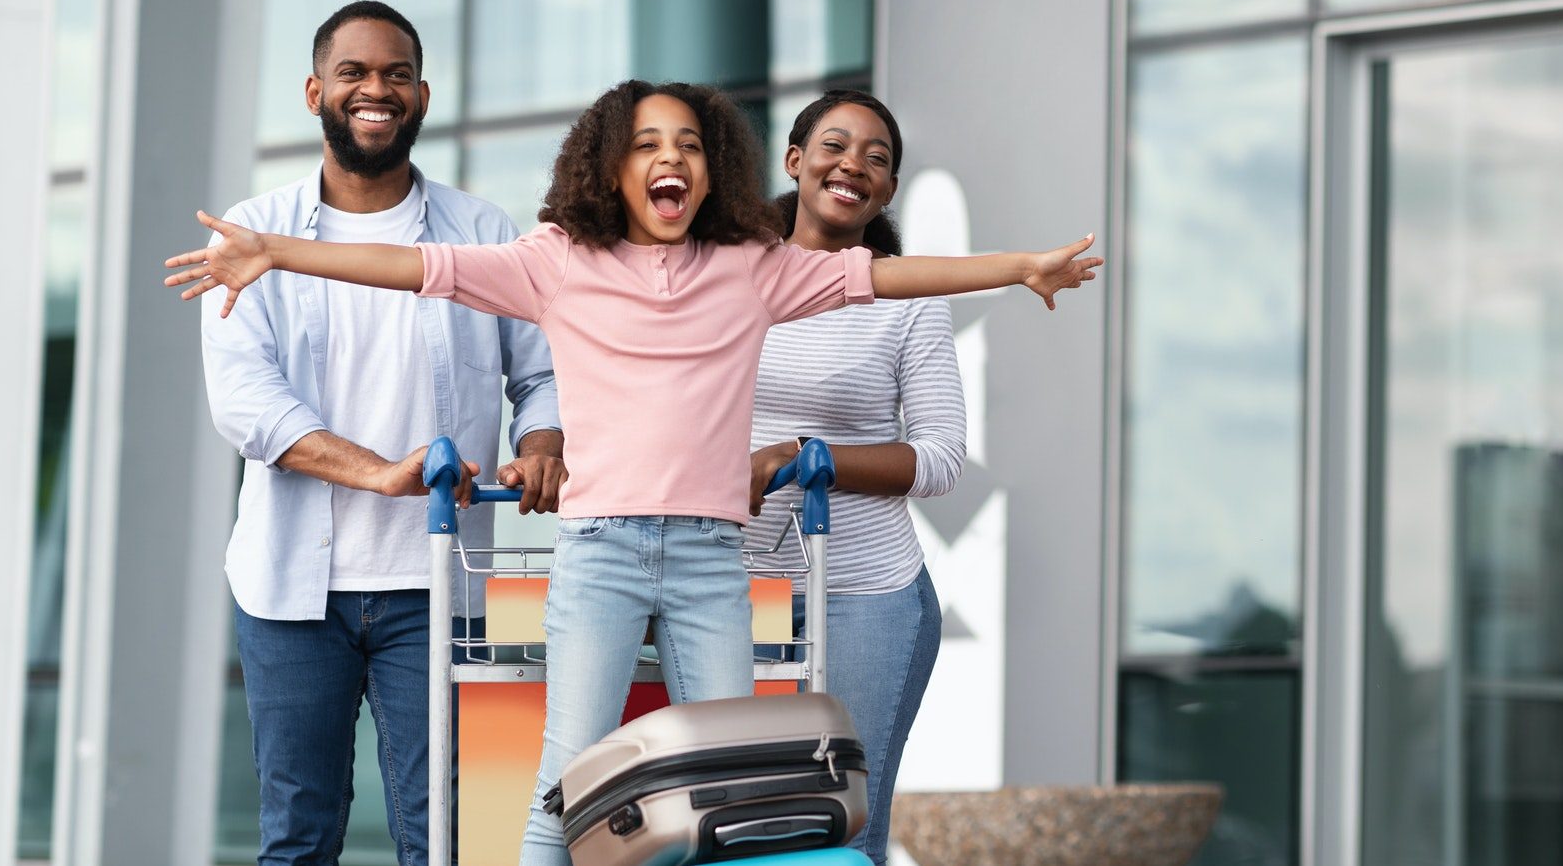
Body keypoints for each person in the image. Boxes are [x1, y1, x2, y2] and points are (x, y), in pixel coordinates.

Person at [164, 78, 1100, 866]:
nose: (673, 158)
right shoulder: (556, 262)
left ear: (715, 168)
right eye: (649, 143)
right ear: (611, 165)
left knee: (728, 785)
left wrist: (1018, 267)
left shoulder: (754, 267)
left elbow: (886, 279)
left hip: (710, 562)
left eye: (690, 144)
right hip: (600, 554)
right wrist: (275, 250)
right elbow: (417, 266)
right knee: (564, 782)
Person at [199, 0, 567, 866]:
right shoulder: (256, 233)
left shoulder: (480, 231)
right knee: (298, 838)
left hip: (439, 582)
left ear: (423, 95)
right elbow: (245, 402)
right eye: (356, 73)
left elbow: (541, 371)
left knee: (438, 839)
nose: (377, 89)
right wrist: (375, 472)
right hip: (291, 589)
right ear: (315, 90)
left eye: (396, 74)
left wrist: (545, 442)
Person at [744, 89, 952, 865]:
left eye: (878, 158)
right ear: (796, 161)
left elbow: (937, 460)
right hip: (730, 589)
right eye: (835, 146)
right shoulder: (727, 276)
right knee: (739, 821)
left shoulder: (906, 298)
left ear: (888, 190)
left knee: (841, 829)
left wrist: (806, 454)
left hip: (868, 595)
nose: (854, 166)